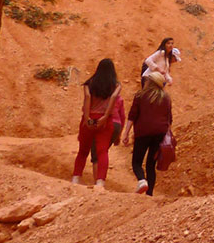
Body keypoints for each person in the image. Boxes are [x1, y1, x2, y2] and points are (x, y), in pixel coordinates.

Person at [72, 58, 121, 188]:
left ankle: (76, 178)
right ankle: (100, 181)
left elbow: (87, 98)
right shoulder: (116, 85)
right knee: (102, 151)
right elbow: (113, 98)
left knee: (83, 151)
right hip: (104, 121)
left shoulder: (90, 83)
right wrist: (105, 117)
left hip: (89, 117)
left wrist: (87, 117)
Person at [124, 72, 172, 196]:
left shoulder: (140, 96)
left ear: (150, 82)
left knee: (136, 162)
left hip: (143, 132)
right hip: (160, 133)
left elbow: (132, 116)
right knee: (151, 164)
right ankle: (149, 194)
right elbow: (169, 119)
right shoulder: (166, 97)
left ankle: (141, 180)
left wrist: (126, 133)